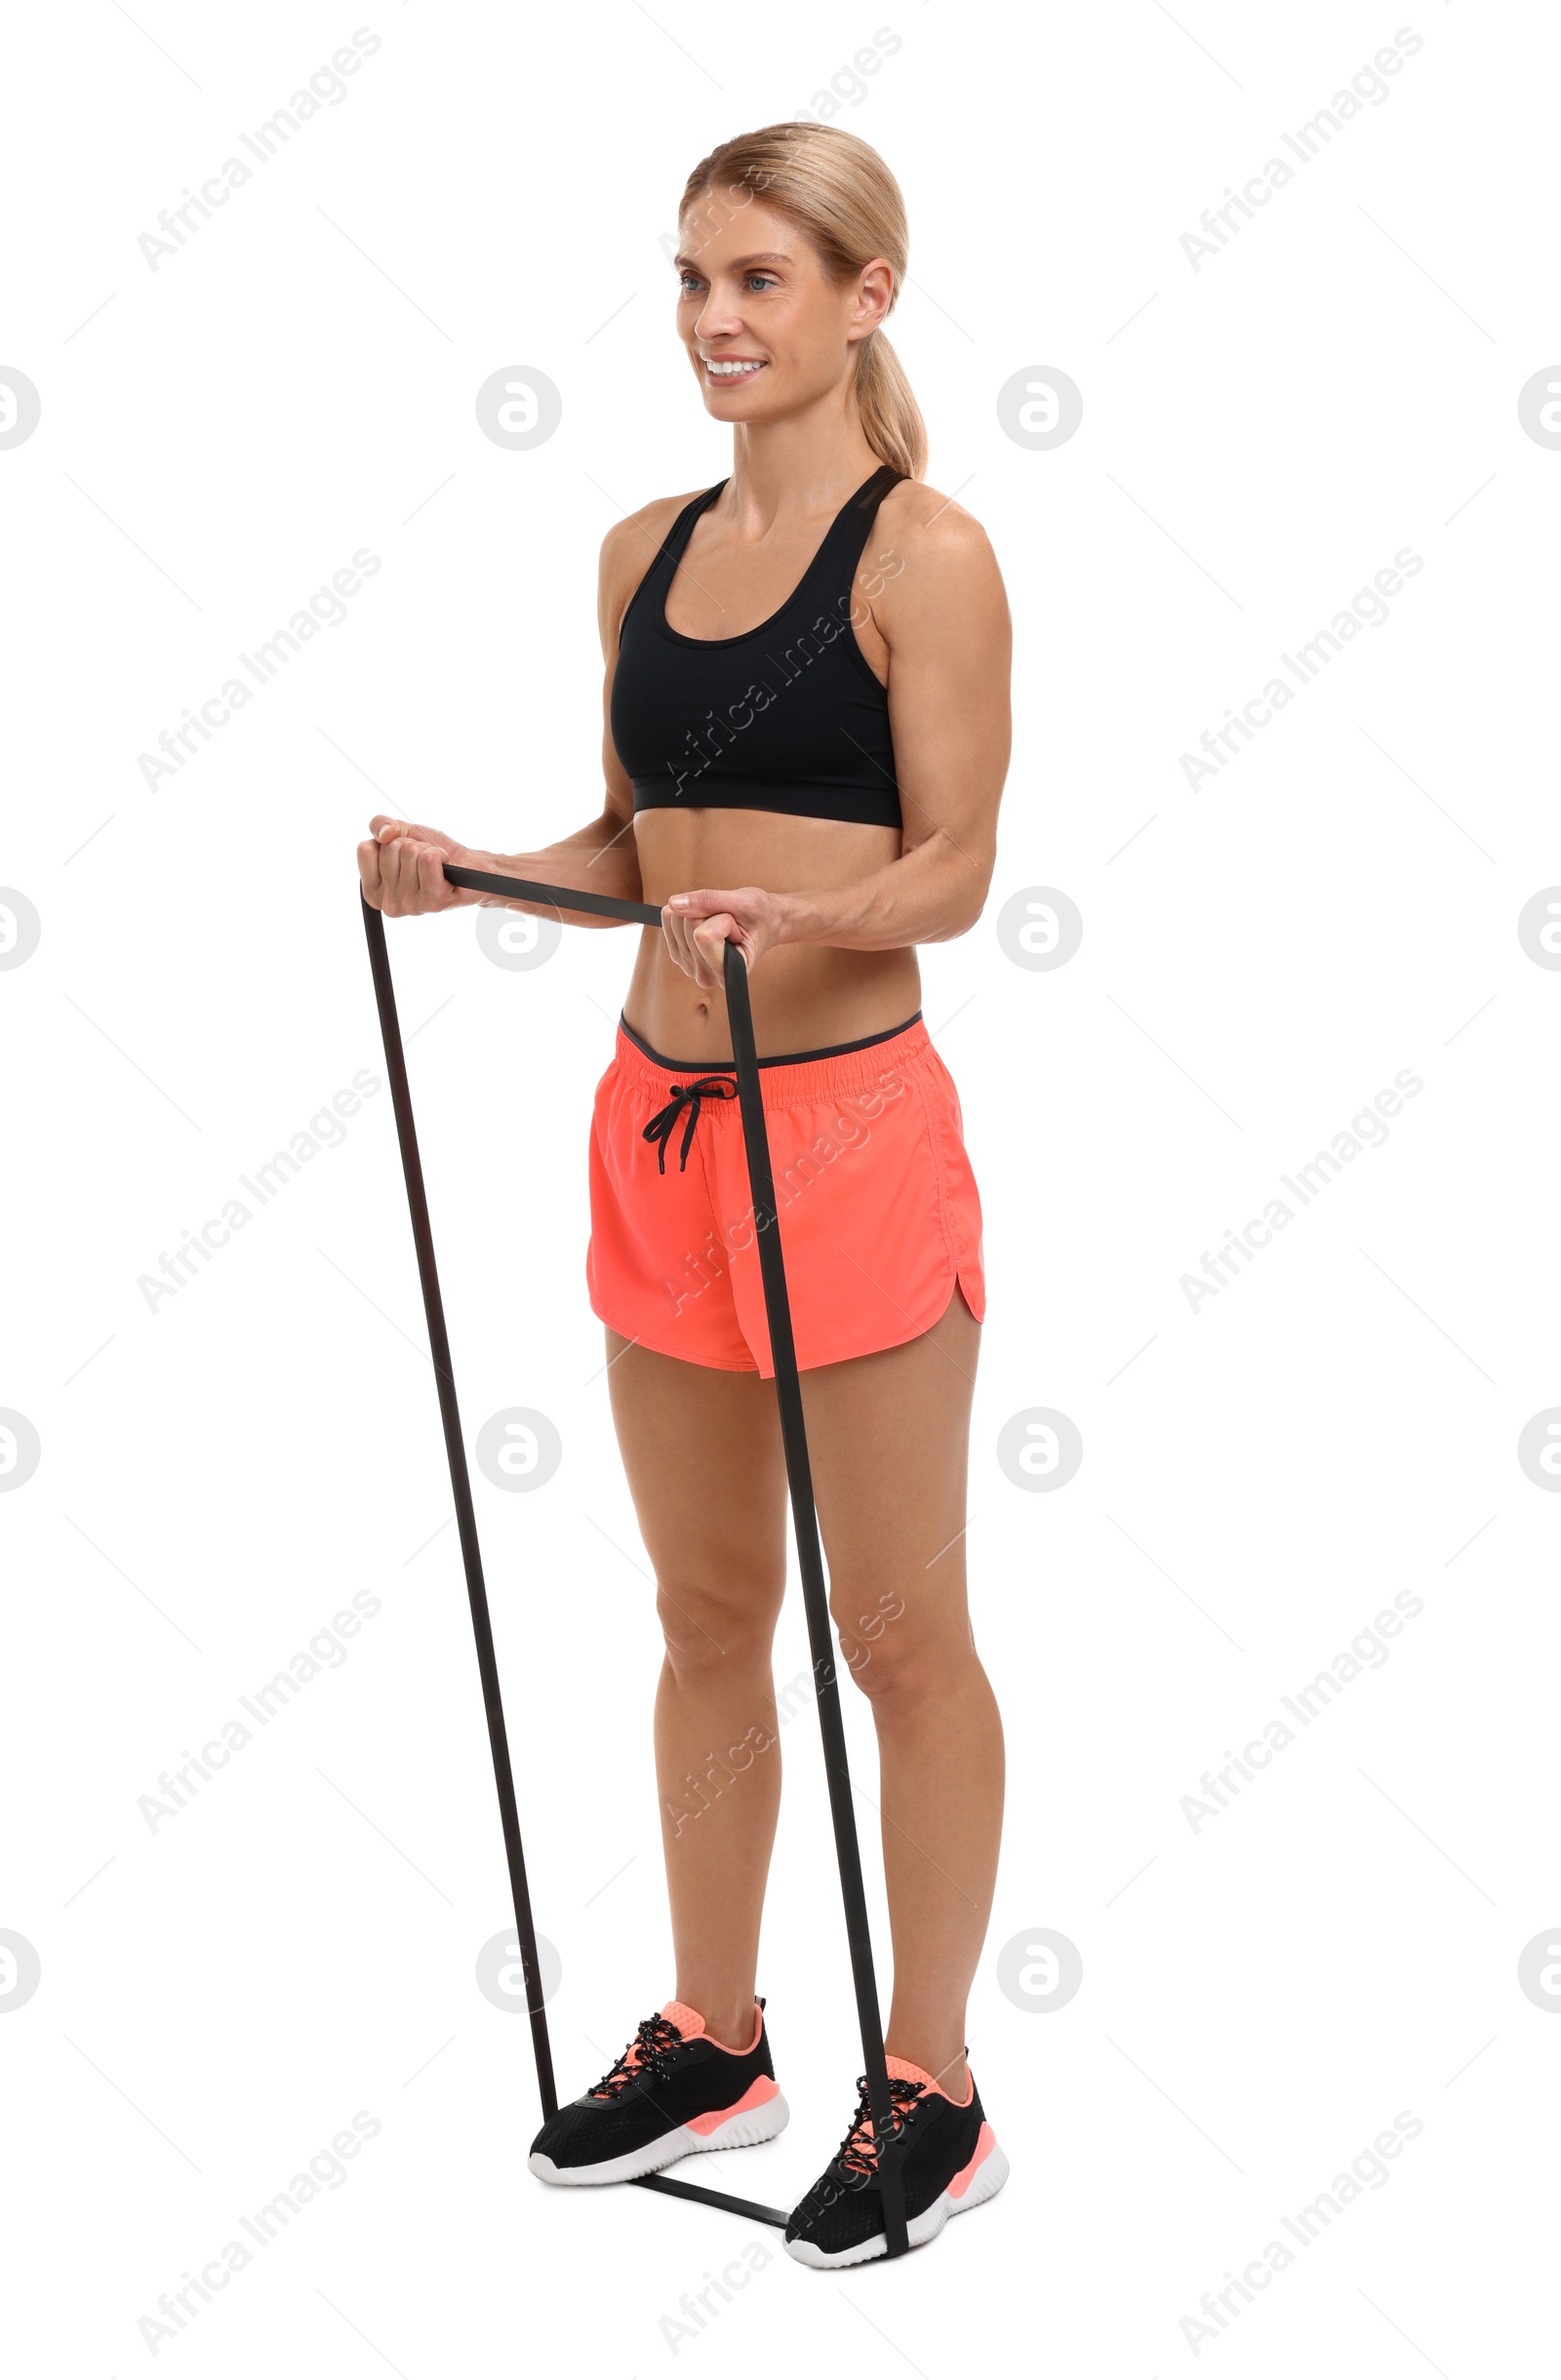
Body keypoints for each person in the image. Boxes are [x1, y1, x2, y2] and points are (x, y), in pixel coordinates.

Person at [356, 120, 1012, 2269]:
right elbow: (639, 847)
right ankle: (714, 2031)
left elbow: (950, 870)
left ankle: (927, 2080)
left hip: (841, 1129)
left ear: (860, 300)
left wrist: (783, 930)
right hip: (657, 1124)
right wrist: (472, 875)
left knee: (895, 1629)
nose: (712, 322)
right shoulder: (636, 545)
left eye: (757, 282)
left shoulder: (928, 556)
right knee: (703, 1613)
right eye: (690, 279)